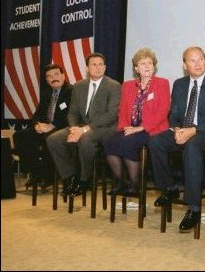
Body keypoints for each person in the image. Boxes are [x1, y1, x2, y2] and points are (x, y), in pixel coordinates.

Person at [148, 46, 205, 233]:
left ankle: (193, 208)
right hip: (183, 129)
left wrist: (193, 130)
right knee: (156, 141)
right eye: (192, 60)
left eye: (201, 59)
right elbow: (174, 114)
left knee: (192, 147)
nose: (198, 63)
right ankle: (169, 187)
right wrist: (177, 129)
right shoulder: (180, 84)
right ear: (185, 65)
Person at [47, 53, 121, 197]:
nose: (98, 68)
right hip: (80, 126)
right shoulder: (79, 86)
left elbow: (112, 114)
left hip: (105, 128)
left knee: (86, 138)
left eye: (101, 65)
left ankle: (84, 180)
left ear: (105, 67)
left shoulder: (113, 86)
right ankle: (70, 177)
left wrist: (85, 129)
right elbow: (72, 112)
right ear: (87, 68)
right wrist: (74, 128)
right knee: (53, 139)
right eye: (94, 64)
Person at [103, 48, 170, 197]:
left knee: (128, 143)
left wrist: (140, 127)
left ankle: (135, 184)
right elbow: (123, 110)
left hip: (152, 129)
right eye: (143, 63)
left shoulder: (162, 83)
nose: (147, 66)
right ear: (136, 68)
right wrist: (123, 128)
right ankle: (120, 182)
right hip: (130, 127)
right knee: (109, 142)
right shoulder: (127, 85)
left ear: (154, 66)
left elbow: (163, 112)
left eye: (150, 63)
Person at [13, 64, 72, 191]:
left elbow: (72, 116)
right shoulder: (46, 94)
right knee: (20, 135)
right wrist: (36, 125)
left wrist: (51, 125)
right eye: (49, 76)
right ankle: (37, 172)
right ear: (46, 80)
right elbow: (37, 115)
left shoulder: (72, 91)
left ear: (63, 75)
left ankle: (47, 176)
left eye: (56, 74)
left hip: (63, 129)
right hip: (44, 128)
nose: (53, 78)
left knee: (49, 137)